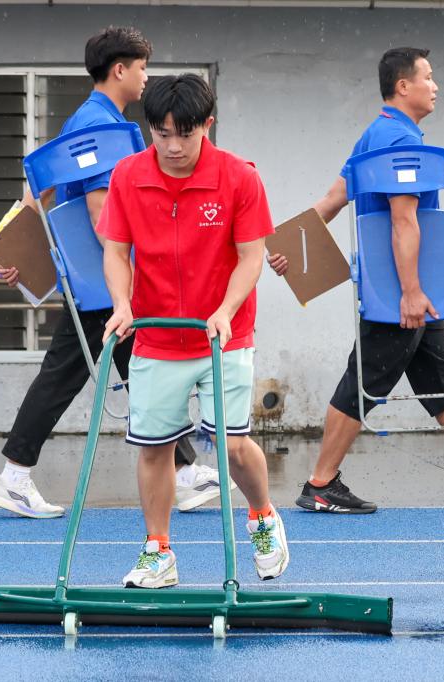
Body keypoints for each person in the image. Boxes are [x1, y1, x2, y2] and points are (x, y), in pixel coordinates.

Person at [268, 47, 444, 513]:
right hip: (398, 292)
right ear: (403, 86)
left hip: (406, 290)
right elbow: (403, 221)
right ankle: (320, 484)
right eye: (428, 77)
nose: (435, 86)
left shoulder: (376, 134)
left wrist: (289, 249)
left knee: (441, 378)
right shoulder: (399, 141)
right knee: (364, 382)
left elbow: (333, 199)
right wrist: (411, 293)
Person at [0, 27, 232, 520]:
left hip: (99, 282)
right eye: (141, 68)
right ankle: (14, 475)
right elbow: (102, 214)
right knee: (74, 375)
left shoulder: (88, 120)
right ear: (119, 69)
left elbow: (40, 191)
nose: (146, 78)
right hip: (105, 285)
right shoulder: (101, 127)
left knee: (136, 371)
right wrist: (138, 279)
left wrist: (17, 248)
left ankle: (182, 471)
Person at [100, 74, 289, 588]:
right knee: (154, 447)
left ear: (208, 124)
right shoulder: (128, 176)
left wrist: (226, 309)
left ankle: (262, 517)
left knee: (230, 445)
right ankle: (158, 551)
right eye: (162, 134)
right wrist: (122, 304)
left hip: (222, 334)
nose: (173, 146)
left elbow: (251, 257)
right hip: (156, 334)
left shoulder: (238, 177)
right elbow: (116, 251)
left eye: (185, 133)